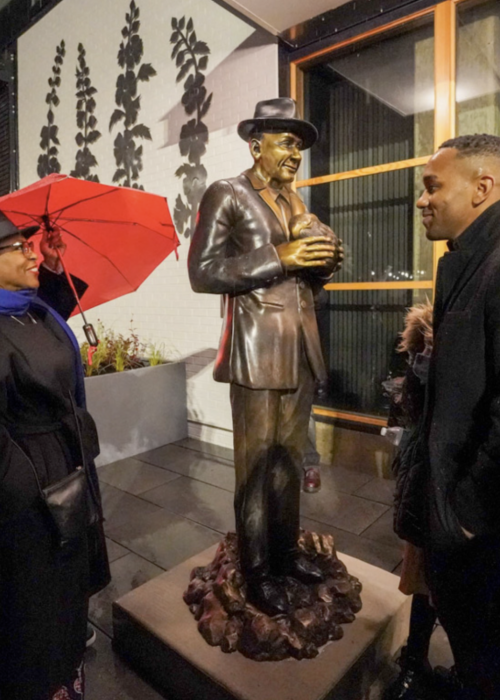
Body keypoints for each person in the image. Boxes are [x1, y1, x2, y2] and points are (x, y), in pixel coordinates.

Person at [188, 98, 343, 617]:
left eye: (298, 145)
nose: (295, 153)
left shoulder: (298, 206)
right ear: (257, 146)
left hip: (299, 345)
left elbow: (304, 282)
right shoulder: (227, 194)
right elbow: (204, 271)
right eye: (286, 142)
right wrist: (280, 255)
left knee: (289, 463)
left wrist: (324, 264)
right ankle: (256, 572)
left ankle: (284, 554)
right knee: (255, 468)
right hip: (256, 350)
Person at [0, 211, 110, 699]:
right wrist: (28, 490)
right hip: (28, 484)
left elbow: (47, 329)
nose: (31, 252)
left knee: (69, 583)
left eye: (30, 245)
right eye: (19, 247)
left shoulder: (30, 308)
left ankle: (68, 670)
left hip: (66, 464)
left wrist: (53, 262)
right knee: (35, 593)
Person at [409, 133, 500, 699]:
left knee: (485, 646)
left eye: (433, 186)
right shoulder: (465, 263)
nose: (422, 200)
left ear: (482, 188)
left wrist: (466, 510)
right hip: (458, 511)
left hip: (478, 524)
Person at [382, 301, 439, 700]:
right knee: (425, 584)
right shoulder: (424, 349)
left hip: (452, 492)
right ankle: (414, 665)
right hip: (428, 485)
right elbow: (411, 413)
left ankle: (417, 665)